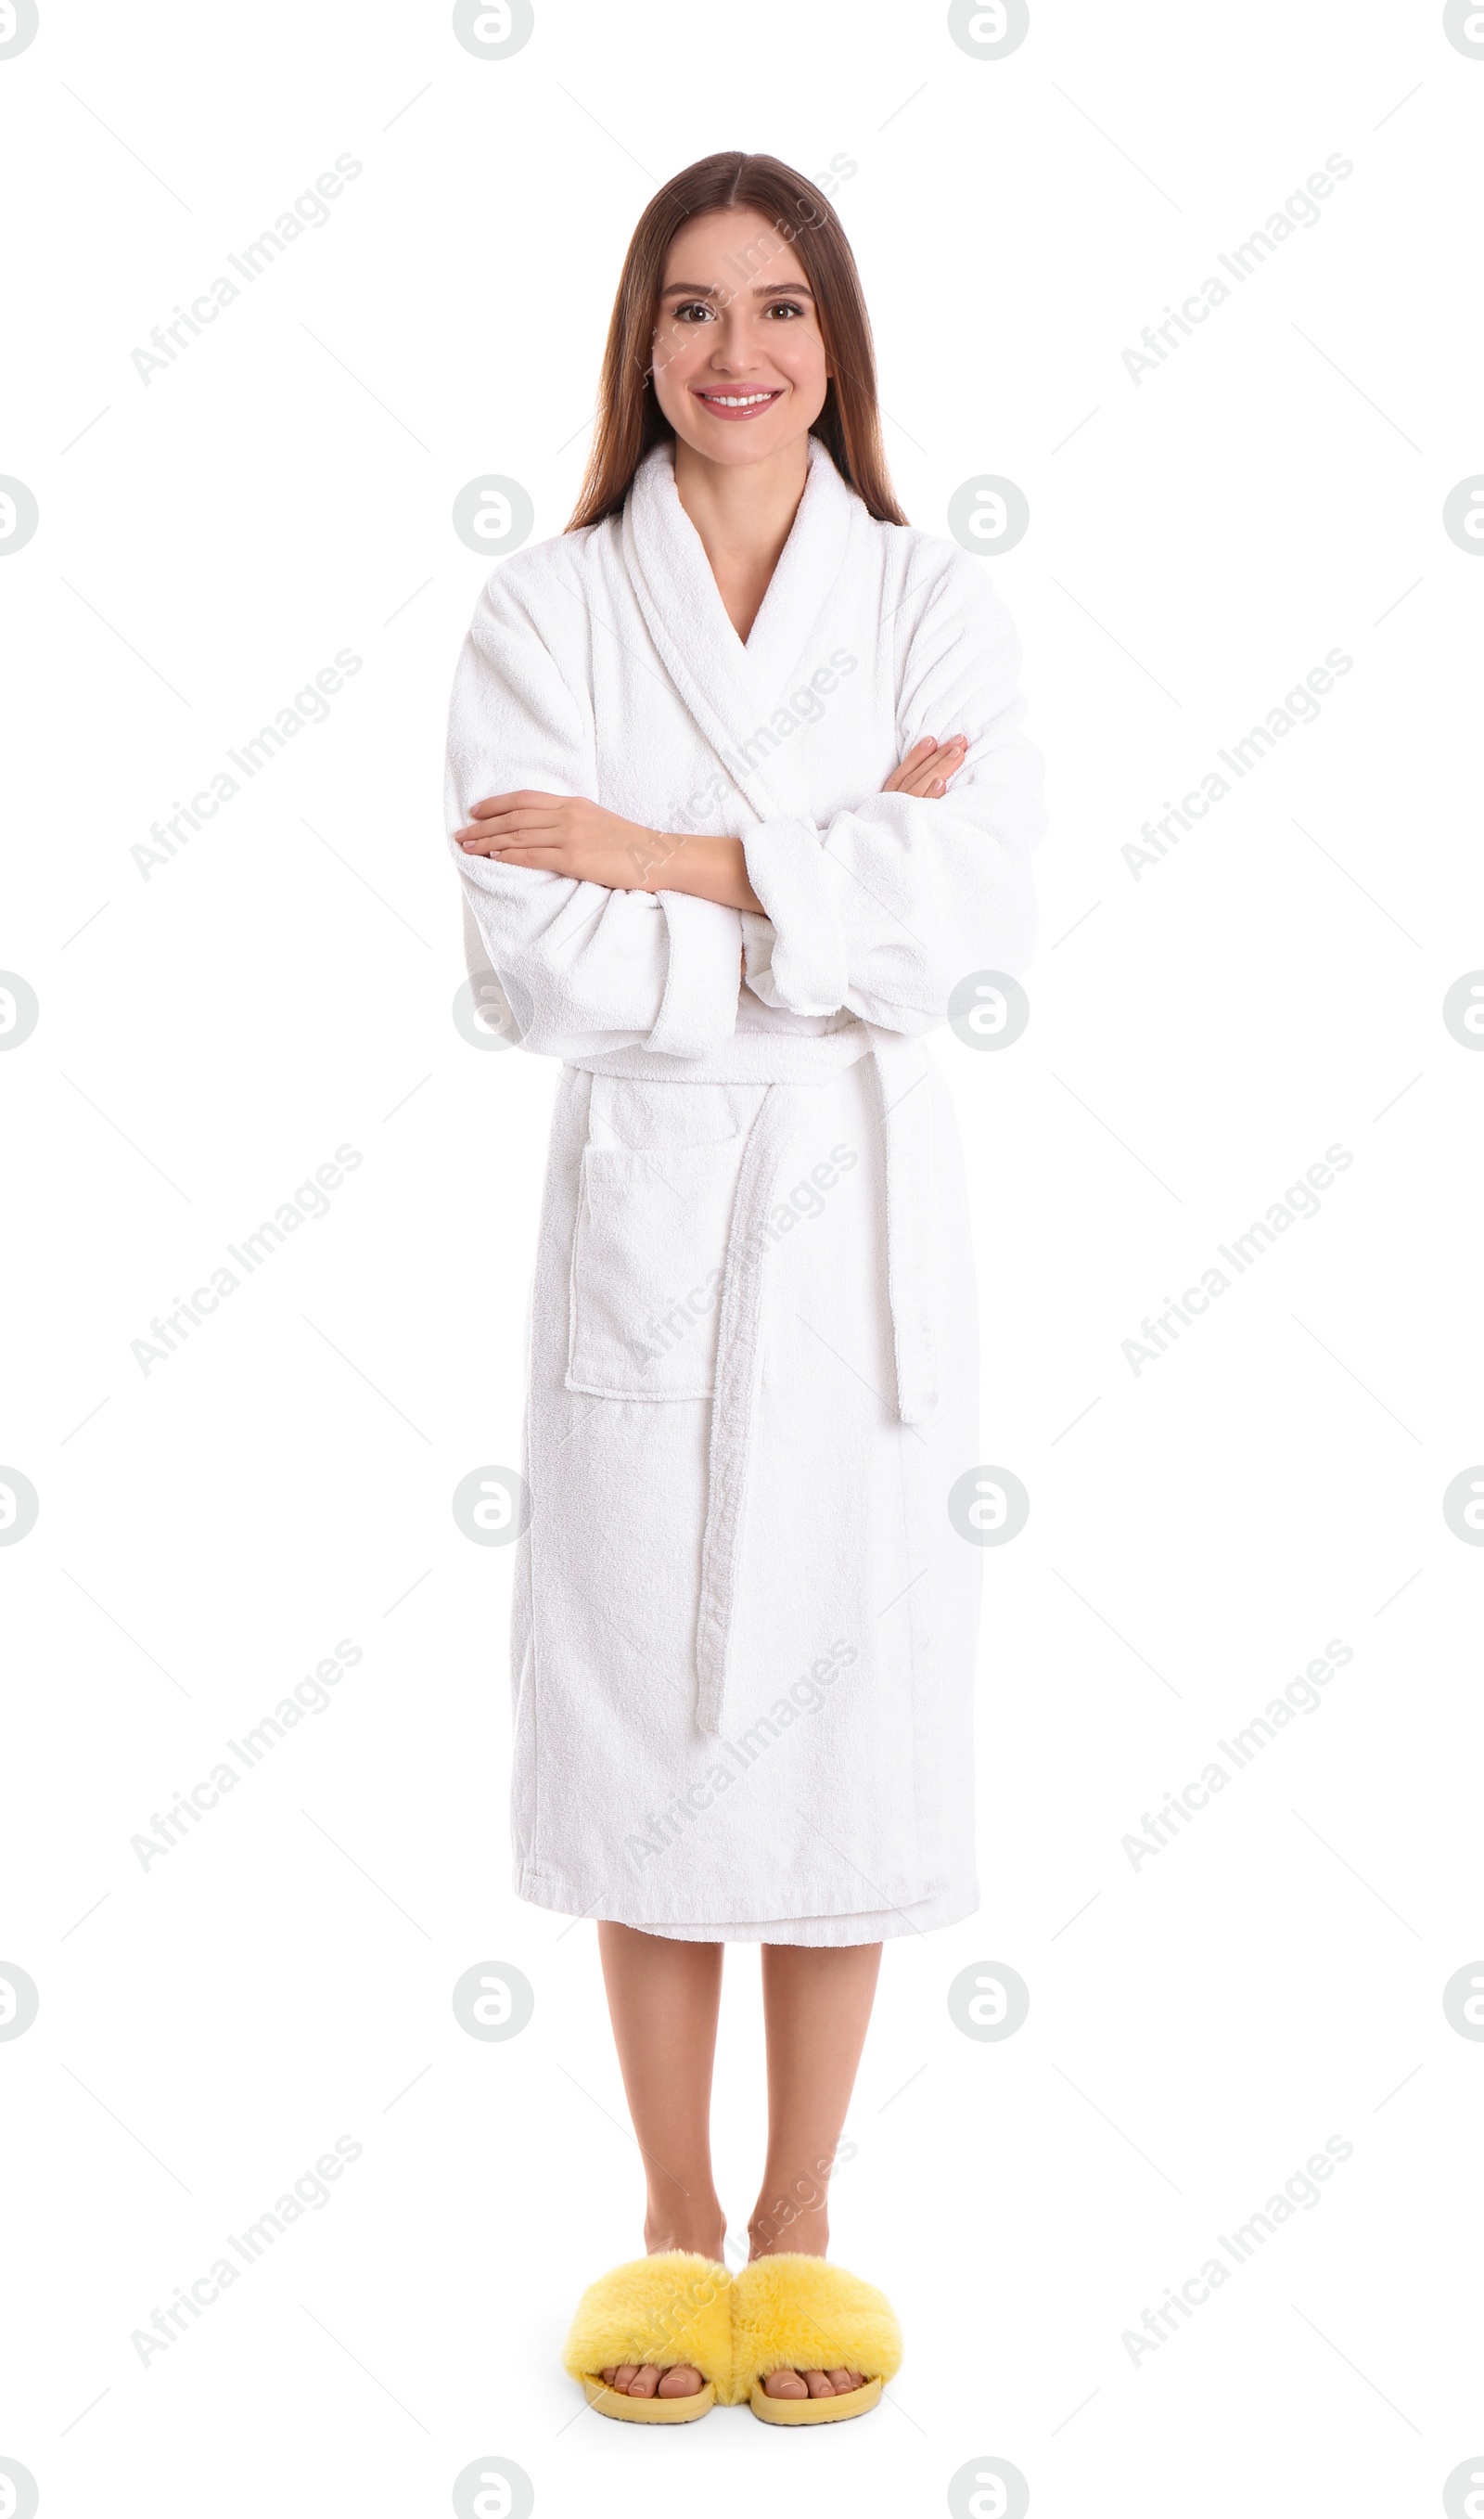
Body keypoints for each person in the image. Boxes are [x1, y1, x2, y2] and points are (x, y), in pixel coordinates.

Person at [445, 148, 1044, 2427]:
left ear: (836, 342)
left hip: (857, 1234)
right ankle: (667, 2228)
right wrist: (823, 890)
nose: (734, 353)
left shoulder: (928, 605)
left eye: (777, 307)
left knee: (842, 1711)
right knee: (648, 1717)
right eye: (690, 309)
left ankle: (804, 2228)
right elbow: (548, 958)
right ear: (639, 342)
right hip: (655, 1216)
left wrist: (674, 855)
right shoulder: (543, 613)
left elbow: (963, 915)